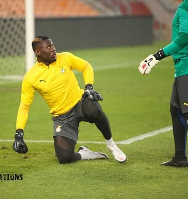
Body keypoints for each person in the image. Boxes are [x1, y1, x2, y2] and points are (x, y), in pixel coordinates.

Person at [12, 35, 127, 164]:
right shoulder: (30, 77)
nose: (53, 49)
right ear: (38, 52)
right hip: (62, 117)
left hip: (80, 103)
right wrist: (19, 133)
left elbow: (86, 66)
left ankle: (111, 145)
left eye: (53, 45)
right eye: (48, 47)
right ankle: (85, 154)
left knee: (94, 109)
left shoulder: (65, 57)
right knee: (64, 158)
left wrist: (89, 87)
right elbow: (24, 106)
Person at [138, 0, 188, 172]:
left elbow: (185, 37)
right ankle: (180, 157)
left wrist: (158, 55)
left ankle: (181, 157)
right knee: (176, 110)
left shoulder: (187, 6)